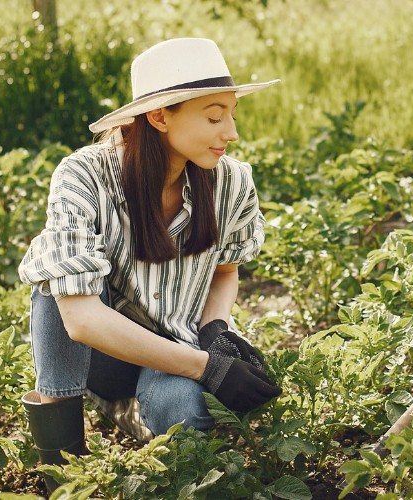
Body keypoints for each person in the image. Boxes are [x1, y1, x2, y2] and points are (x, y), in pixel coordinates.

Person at [17, 37, 283, 488]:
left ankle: (137, 418)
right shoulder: (84, 176)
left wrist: (215, 330)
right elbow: (80, 321)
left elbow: (225, 271)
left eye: (232, 114)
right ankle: (61, 471)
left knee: (181, 412)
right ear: (159, 116)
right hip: (101, 354)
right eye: (215, 116)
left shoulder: (233, 181)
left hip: (175, 345)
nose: (231, 132)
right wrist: (206, 368)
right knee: (54, 281)